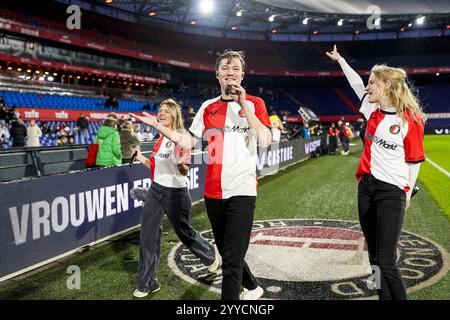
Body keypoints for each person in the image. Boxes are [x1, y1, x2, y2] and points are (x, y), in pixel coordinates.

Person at [130, 50, 271, 300]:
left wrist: (243, 105)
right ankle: (253, 287)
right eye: (225, 68)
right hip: (213, 192)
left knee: (231, 263)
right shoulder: (207, 107)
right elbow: (189, 141)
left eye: (235, 68)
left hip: (242, 190)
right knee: (229, 255)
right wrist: (158, 126)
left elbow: (265, 140)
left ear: (242, 74)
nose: (230, 72)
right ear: (217, 74)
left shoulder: (255, 104)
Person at [327, 45, 425, 300]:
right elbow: (355, 83)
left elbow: (414, 161)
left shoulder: (410, 120)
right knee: (374, 257)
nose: (368, 87)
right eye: (369, 82)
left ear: (387, 86)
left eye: (373, 82)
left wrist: (405, 195)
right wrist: (341, 61)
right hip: (366, 190)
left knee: (386, 260)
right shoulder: (371, 109)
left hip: (391, 193)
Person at [129, 99, 219, 298]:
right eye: (159, 111)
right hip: (155, 190)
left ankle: (210, 255)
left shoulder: (181, 136)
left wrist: (179, 163)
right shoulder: (160, 138)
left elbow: (185, 170)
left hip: (175, 193)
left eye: (165, 111)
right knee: (147, 236)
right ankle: (147, 283)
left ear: (174, 115)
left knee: (185, 233)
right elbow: (155, 168)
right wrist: (140, 157)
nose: (161, 113)